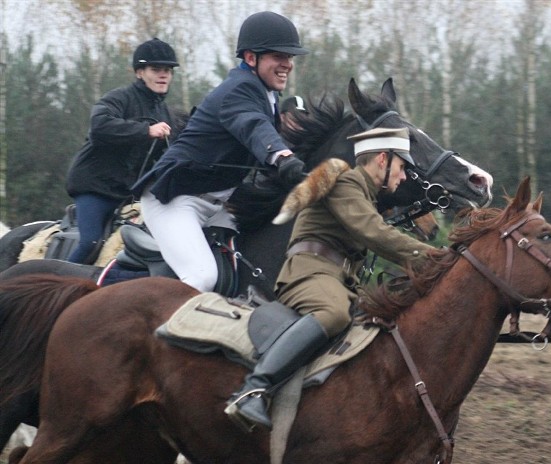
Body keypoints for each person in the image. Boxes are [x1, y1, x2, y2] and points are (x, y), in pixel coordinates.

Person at [225, 127, 435, 431]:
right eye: (402, 168)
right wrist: (437, 258)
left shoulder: (364, 193)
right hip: (310, 273)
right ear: (381, 159)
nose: (403, 178)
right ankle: (253, 389)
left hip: (340, 280)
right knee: (332, 313)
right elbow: (375, 233)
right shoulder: (346, 182)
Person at [132, 11, 309, 293]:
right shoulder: (238, 90)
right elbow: (253, 126)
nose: (287, 64)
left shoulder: (268, 94)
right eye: (279, 56)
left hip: (215, 205)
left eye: (290, 58)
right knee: (202, 277)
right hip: (176, 200)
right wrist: (282, 157)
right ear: (251, 58)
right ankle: (160, 335)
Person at [65, 38, 180, 264]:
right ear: (139, 72)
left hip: (128, 195)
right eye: (156, 69)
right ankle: (55, 288)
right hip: (95, 188)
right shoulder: (119, 98)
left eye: (167, 70)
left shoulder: (165, 113)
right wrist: (145, 131)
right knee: (91, 243)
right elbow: (99, 127)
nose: (163, 75)